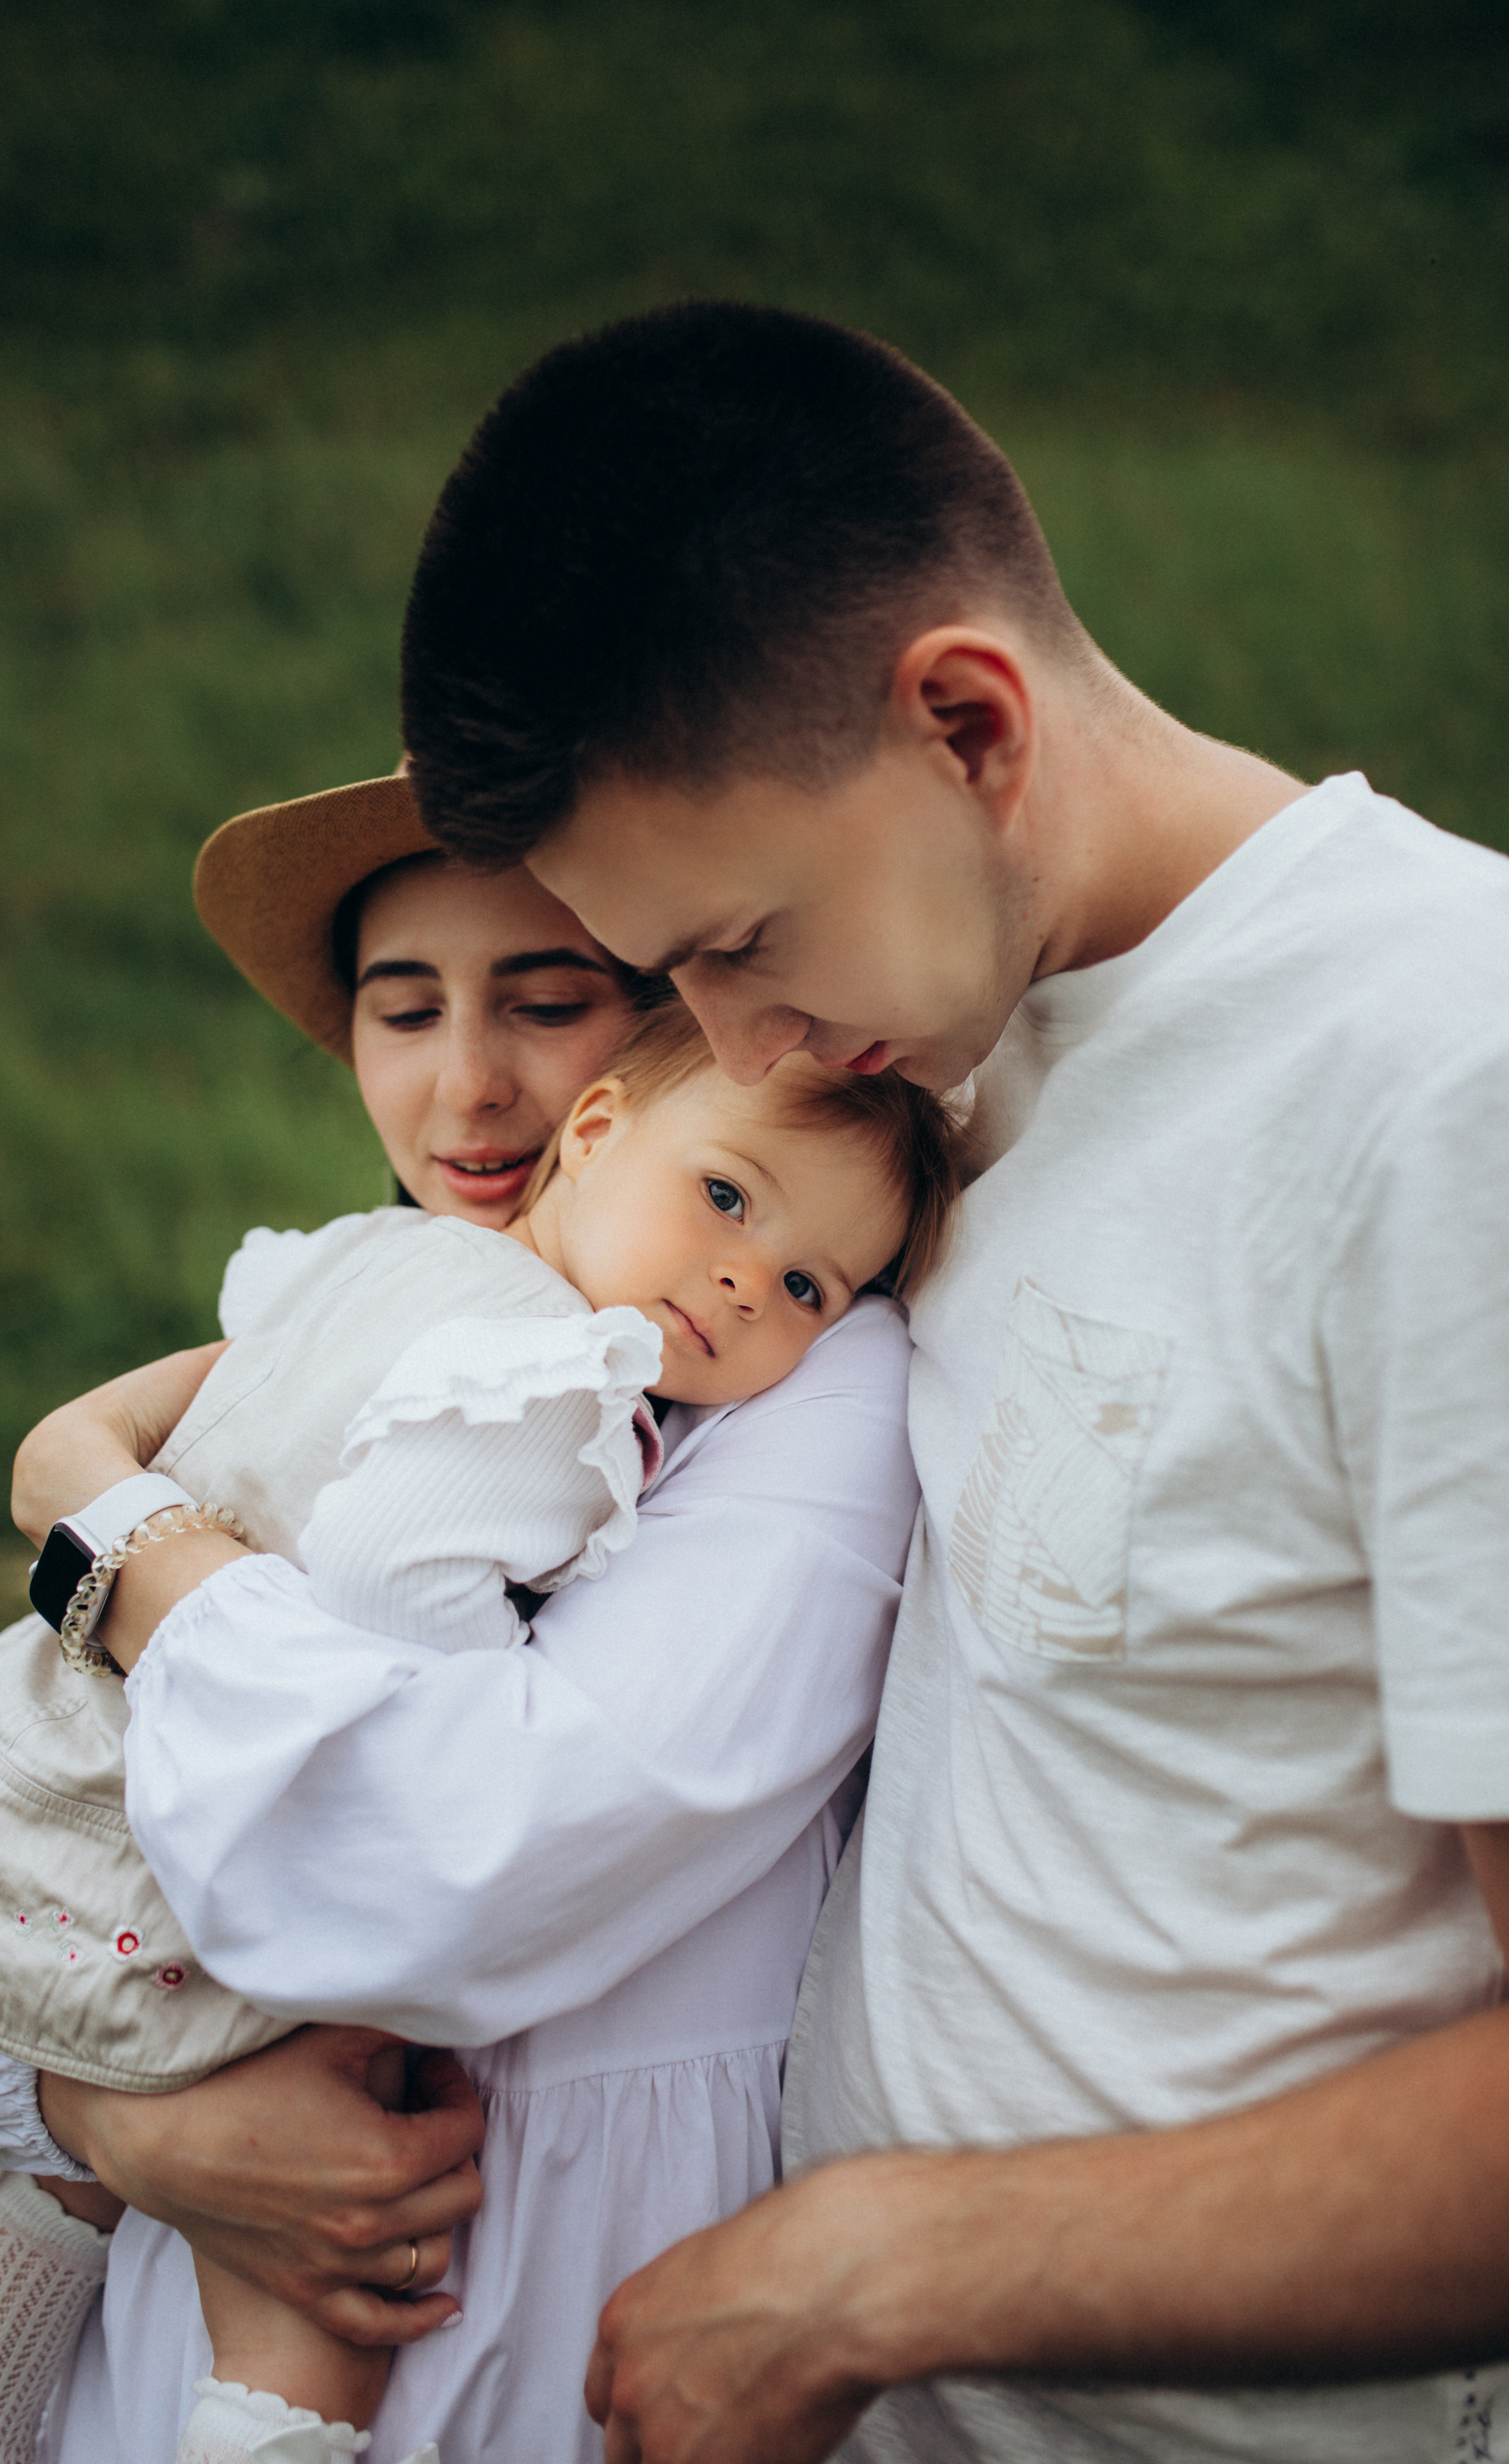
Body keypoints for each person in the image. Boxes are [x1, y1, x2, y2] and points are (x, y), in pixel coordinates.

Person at [383, 302, 1509, 2464]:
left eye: (739, 940)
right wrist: (111, 1498)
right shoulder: (933, 1044)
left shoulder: (1437, 1095)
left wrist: (883, 2271)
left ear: (969, 726)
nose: (730, 1047)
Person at [0, 771, 927, 2464]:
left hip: (543, 2316)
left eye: (549, 998)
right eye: (401, 1007)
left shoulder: (795, 1395)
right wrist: (128, 2127)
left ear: (685, 1022)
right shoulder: (369, 1306)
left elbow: (442, 1850)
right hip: (170, 2329)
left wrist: (109, 1529)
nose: (467, 1086)